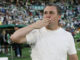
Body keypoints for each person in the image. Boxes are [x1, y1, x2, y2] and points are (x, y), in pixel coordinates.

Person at [10, 4, 78, 60]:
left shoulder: (67, 35)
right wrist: (34, 25)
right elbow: (14, 37)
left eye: (51, 13)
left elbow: (73, 57)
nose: (47, 15)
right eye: (45, 13)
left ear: (59, 17)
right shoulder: (36, 32)